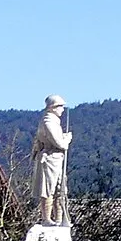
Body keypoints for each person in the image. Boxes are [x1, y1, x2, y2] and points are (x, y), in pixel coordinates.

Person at [31, 96, 72, 226]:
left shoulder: (53, 122)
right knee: (49, 188)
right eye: (60, 106)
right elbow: (59, 143)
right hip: (50, 158)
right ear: (52, 107)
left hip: (57, 158)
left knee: (60, 189)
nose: (62, 109)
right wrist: (67, 139)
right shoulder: (48, 122)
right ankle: (47, 219)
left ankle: (60, 219)